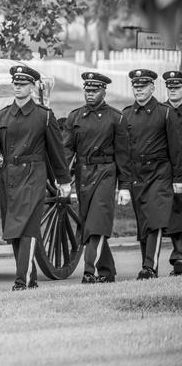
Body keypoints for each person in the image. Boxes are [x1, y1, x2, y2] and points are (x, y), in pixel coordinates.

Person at [0, 64, 72, 291]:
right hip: (9, 177)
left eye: (22, 84)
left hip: (34, 176)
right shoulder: (1, 116)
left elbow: (56, 152)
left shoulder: (44, 116)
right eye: (15, 84)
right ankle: (30, 279)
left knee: (28, 228)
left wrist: (64, 181)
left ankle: (21, 281)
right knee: (14, 230)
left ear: (32, 87)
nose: (17, 87)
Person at [63, 72, 128, 283]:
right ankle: (107, 272)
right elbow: (66, 150)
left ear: (103, 91)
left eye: (94, 91)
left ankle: (89, 271)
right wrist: (61, 176)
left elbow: (123, 156)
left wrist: (125, 186)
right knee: (90, 223)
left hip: (106, 172)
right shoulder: (75, 117)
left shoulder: (116, 117)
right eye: (87, 91)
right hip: (84, 173)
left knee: (98, 222)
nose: (90, 94)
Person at [119, 68, 182, 279]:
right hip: (138, 173)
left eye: (142, 86)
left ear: (152, 87)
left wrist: (178, 178)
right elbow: (123, 151)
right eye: (135, 87)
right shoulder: (126, 114)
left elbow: (176, 149)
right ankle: (147, 264)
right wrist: (124, 183)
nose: (138, 90)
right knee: (144, 222)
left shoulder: (166, 112)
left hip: (160, 172)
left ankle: (150, 268)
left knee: (155, 219)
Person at [163, 70, 182, 277]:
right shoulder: (163, 111)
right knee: (174, 213)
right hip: (168, 169)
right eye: (170, 87)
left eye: (176, 87)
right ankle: (178, 256)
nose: (173, 91)